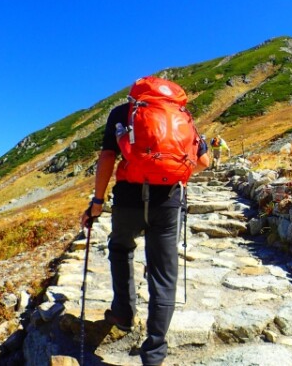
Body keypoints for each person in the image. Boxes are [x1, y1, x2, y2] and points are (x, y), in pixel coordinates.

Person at [81, 86, 209, 366]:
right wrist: (171, 175)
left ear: (138, 94)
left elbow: (106, 158)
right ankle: (154, 353)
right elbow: (203, 161)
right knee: (164, 272)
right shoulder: (182, 117)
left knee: (121, 248)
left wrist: (98, 201)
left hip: (128, 199)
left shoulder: (123, 113)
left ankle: (124, 314)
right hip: (168, 202)